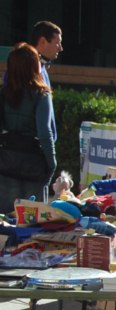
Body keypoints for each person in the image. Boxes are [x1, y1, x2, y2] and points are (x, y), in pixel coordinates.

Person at [0, 42, 57, 214]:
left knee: (4, 222)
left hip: (6, 161)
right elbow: (45, 132)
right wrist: (52, 162)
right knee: (33, 223)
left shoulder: (3, 93)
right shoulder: (41, 94)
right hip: (33, 161)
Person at [31, 21, 62, 141]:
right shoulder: (28, 69)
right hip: (32, 149)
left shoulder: (42, 68)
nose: (60, 48)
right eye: (57, 43)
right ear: (43, 41)